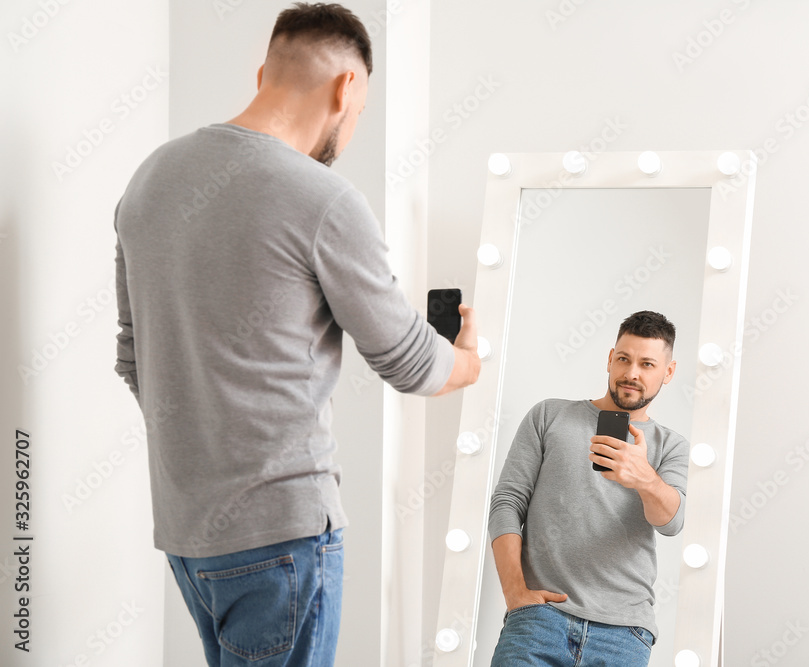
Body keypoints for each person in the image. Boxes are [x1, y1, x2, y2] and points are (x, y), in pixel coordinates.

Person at [112, 3, 480, 665]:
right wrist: (467, 362)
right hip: (282, 534)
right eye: (360, 111)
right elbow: (409, 360)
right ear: (347, 88)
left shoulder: (150, 180)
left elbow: (133, 356)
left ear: (264, 75)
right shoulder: (321, 198)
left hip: (189, 535)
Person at [487, 310, 689, 667]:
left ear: (668, 372)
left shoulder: (671, 445)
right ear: (610, 360)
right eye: (624, 359)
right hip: (539, 619)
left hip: (624, 634)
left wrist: (643, 477)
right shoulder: (549, 415)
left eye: (647, 364)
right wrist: (514, 591)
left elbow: (671, 522)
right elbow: (507, 502)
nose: (632, 373)